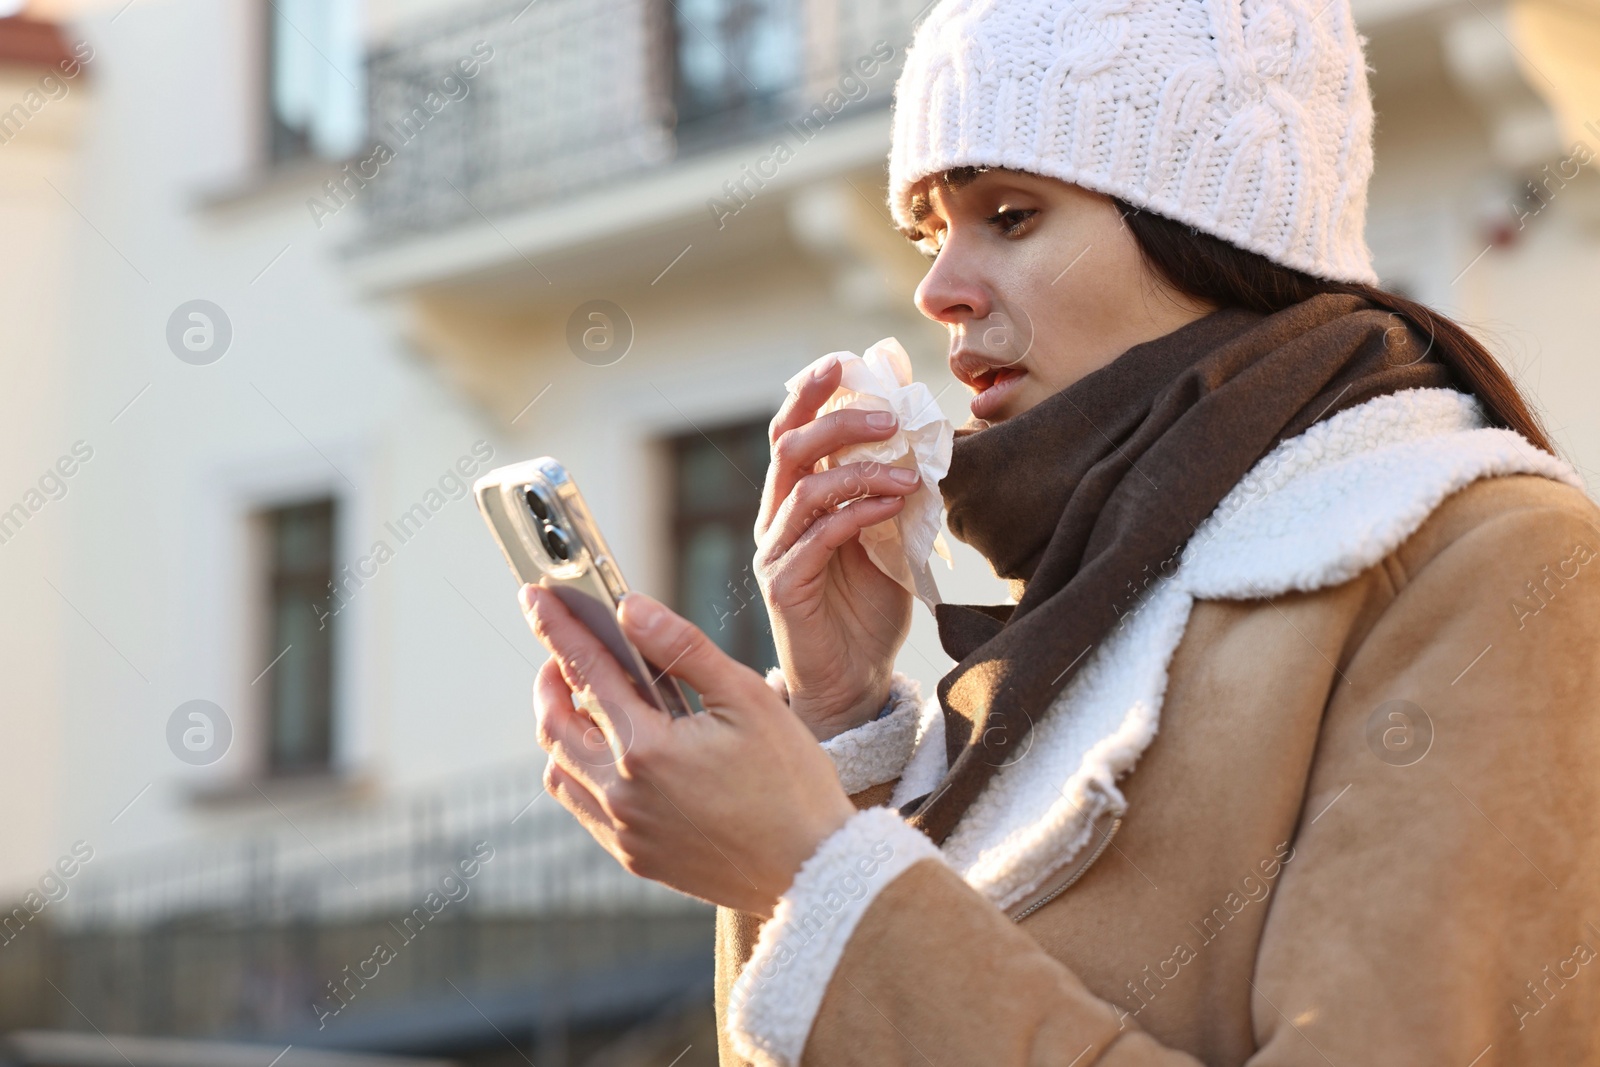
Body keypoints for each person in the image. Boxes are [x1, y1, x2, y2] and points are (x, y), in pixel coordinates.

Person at [518, 0, 1600, 1062]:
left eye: (1011, 213)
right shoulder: (1066, 622)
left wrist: (813, 865)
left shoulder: (1497, 562)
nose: (936, 288)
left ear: (1212, 232)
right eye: (929, 230)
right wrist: (838, 723)